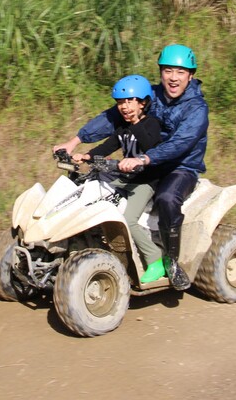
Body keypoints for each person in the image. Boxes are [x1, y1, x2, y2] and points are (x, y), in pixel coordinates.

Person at [54, 44, 208, 291]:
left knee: (167, 198)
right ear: (161, 72)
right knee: (93, 182)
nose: (173, 77)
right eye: (168, 70)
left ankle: (170, 261)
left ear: (190, 75)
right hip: (144, 165)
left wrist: (143, 158)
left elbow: (180, 144)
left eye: (180, 72)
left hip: (179, 166)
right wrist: (75, 142)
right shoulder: (150, 96)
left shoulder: (197, 109)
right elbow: (112, 119)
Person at [71, 74, 166, 284]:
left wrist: (135, 125)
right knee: (93, 191)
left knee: (129, 219)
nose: (124, 107)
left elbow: (152, 147)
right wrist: (87, 156)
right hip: (126, 177)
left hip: (146, 181)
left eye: (130, 101)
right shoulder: (122, 127)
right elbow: (107, 146)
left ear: (143, 103)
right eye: (121, 102)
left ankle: (155, 261)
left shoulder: (151, 124)